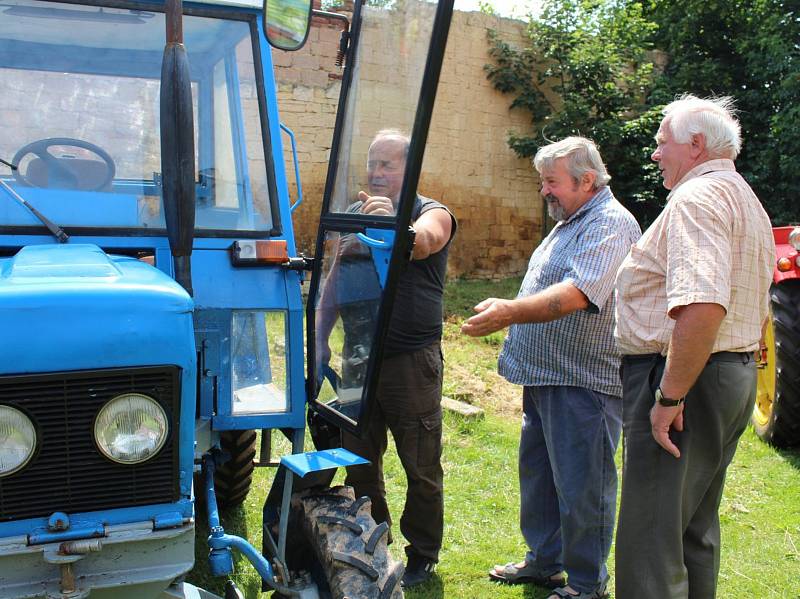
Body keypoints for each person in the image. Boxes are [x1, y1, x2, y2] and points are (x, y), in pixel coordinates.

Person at [462, 137, 640, 599]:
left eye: (551, 182)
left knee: (584, 487)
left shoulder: (611, 223)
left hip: (584, 382)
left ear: (586, 180)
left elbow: (577, 294)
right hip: (546, 376)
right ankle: (545, 563)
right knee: (540, 477)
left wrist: (509, 311)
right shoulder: (572, 220)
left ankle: (586, 585)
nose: (544, 191)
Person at [614, 94, 775, 598]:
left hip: (687, 380)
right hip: (730, 376)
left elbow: (703, 304)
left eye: (663, 144)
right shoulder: (745, 200)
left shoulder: (696, 199)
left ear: (696, 145)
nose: (656, 155)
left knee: (650, 543)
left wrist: (668, 397)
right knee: (693, 531)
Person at [316, 129, 457, 587]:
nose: (377, 173)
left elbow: (425, 242)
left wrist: (396, 226)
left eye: (388, 165)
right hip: (359, 358)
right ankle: (374, 542)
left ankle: (423, 554)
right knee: (359, 459)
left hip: (409, 361)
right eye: (373, 163)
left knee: (419, 463)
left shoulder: (431, 213)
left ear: (410, 169)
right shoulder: (357, 213)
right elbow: (336, 276)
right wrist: (319, 339)